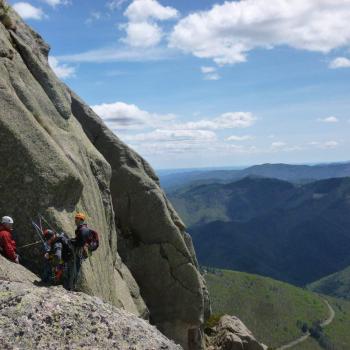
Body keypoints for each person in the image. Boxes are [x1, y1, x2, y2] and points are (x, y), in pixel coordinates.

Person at [66, 212, 99, 290]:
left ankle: (71, 287)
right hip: (81, 252)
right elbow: (80, 240)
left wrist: (71, 241)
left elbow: (80, 242)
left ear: (81, 220)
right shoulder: (83, 229)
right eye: (75, 218)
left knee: (74, 268)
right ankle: (72, 286)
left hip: (79, 251)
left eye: (76, 218)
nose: (75, 220)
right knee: (76, 268)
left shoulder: (82, 230)